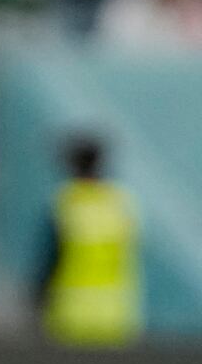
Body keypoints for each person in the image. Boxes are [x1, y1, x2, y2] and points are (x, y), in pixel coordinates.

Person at [37, 134, 143, 346]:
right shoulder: (121, 203)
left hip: (70, 316)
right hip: (117, 315)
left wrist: (37, 300)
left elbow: (50, 259)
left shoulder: (66, 203)